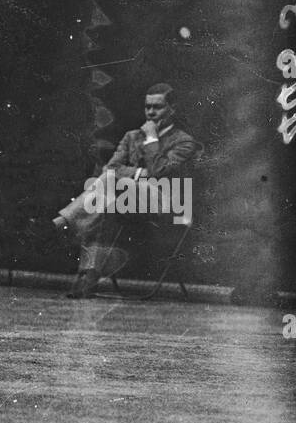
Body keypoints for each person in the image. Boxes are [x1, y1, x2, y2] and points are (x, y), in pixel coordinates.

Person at [56, 83, 200, 298]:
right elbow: (111, 167)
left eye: (157, 107)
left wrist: (151, 140)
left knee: (109, 184)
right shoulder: (132, 136)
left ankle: (65, 220)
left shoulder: (184, 142)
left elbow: (159, 172)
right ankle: (89, 278)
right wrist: (142, 173)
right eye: (147, 107)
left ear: (172, 109)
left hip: (167, 204)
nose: (150, 112)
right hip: (128, 200)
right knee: (102, 206)